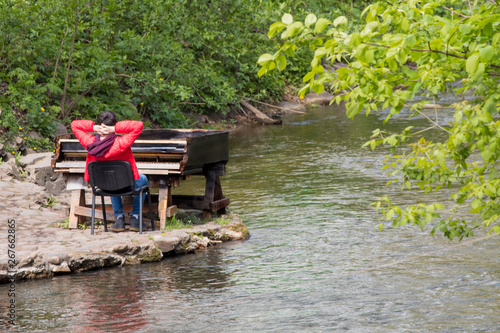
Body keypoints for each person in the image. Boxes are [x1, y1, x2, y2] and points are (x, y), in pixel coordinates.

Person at [71, 111, 147, 232]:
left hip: (103, 186)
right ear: (114, 124)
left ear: (99, 124)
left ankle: (119, 218)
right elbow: (138, 125)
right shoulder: (121, 143)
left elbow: (74, 125)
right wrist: (114, 129)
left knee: (110, 179)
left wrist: (94, 127)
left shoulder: (90, 143)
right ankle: (136, 218)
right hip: (127, 185)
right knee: (143, 179)